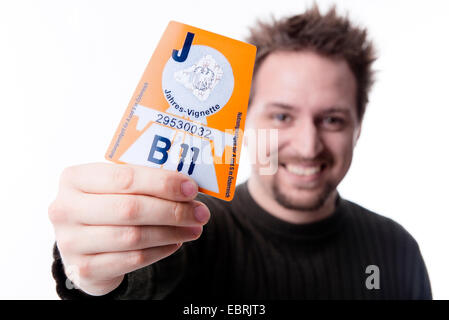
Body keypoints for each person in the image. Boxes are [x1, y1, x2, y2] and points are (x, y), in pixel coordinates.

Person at [49, 5, 432, 299]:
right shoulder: (190, 227)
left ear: (358, 128)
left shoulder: (396, 249)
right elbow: (140, 280)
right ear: (243, 125)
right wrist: (95, 273)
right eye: (282, 116)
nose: (307, 146)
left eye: (332, 120)